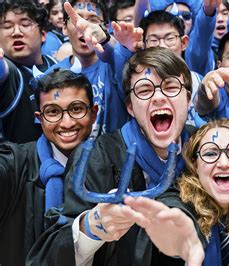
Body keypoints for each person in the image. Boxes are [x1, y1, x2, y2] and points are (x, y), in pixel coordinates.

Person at [27, 47, 195, 265]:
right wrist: (90, 228)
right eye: (144, 90)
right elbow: (48, 255)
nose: (158, 98)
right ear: (130, 107)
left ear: (188, 98)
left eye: (170, 86)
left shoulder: (205, 150)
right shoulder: (96, 159)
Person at [121, 119, 229, 265]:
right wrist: (178, 238)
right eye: (210, 154)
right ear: (195, 164)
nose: (224, 163)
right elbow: (175, 211)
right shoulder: (179, 199)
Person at [0, 69, 97, 266]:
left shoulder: (113, 165)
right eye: (53, 112)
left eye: (76, 109)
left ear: (94, 113)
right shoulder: (15, 163)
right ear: (39, 117)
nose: (67, 123)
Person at [49, 0, 136, 137]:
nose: (84, 26)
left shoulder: (116, 64)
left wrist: (105, 39)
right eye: (76, 19)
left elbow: (120, 53)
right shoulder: (51, 75)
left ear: (105, 28)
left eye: (93, 20)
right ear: (64, 27)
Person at [0, 1, 57, 143]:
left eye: (25, 25)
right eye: (7, 26)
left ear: (43, 34)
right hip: (20, 163)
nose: (16, 32)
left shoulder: (56, 65)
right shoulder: (9, 73)